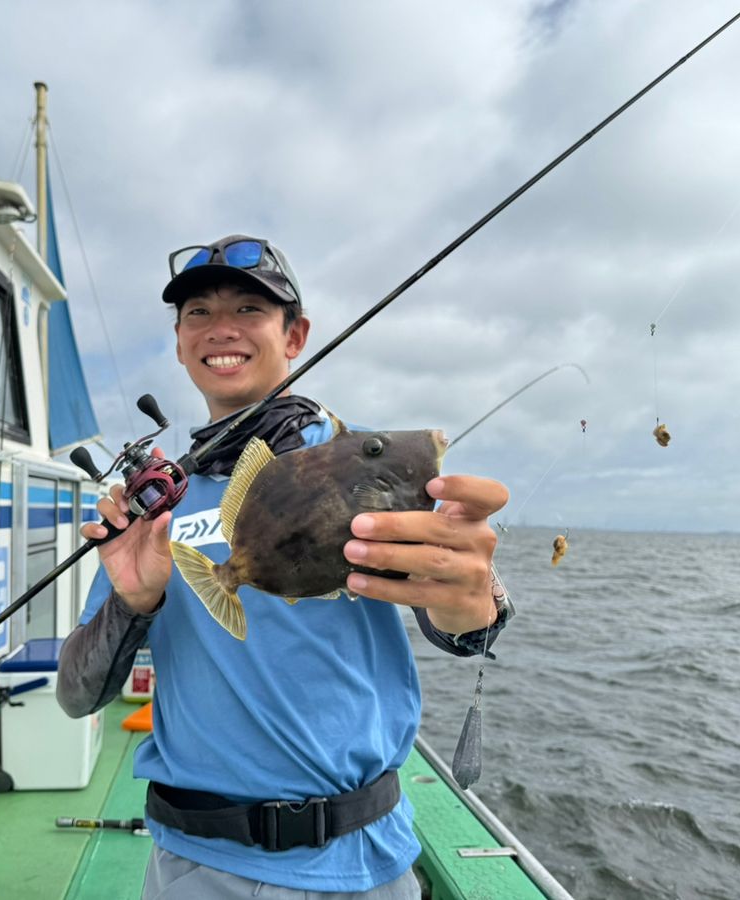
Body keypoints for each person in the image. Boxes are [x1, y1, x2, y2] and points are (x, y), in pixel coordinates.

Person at [57, 235, 511, 899]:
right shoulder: (154, 508)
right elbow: (77, 697)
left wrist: (476, 601)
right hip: (195, 867)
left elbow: (458, 615)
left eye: (249, 310)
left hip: (363, 864)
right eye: (198, 314)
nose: (222, 330)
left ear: (295, 335)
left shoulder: (358, 461)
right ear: (181, 343)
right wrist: (131, 603)